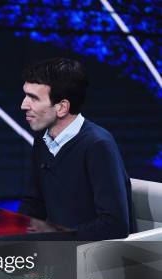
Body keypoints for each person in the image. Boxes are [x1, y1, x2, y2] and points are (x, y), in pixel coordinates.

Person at [18, 57, 134, 240]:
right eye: (26, 95)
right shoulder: (41, 140)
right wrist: (14, 236)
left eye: (33, 98)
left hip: (96, 257)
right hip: (59, 251)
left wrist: (54, 238)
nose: (23, 105)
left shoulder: (98, 145)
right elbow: (35, 203)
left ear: (62, 107)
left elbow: (114, 225)